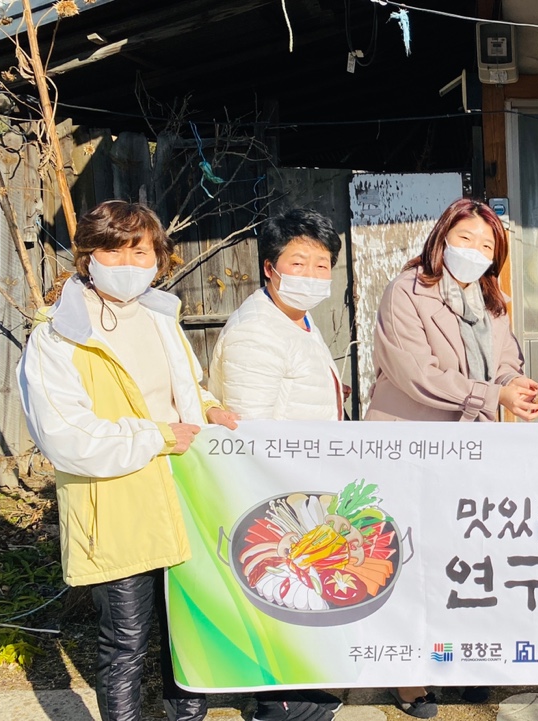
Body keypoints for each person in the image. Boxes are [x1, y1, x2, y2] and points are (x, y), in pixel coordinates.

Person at [17, 200, 239, 721]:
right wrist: (158, 436)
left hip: (183, 490)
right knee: (126, 639)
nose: (128, 263)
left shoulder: (161, 316)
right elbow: (66, 435)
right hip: (117, 499)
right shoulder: (58, 335)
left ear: (158, 258)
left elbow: (184, 388)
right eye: (114, 250)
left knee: (188, 629)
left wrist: (209, 407)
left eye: (141, 252)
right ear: (87, 255)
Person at [367, 198, 538, 717]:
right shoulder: (406, 291)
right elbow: (415, 374)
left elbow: (504, 363)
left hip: (470, 450)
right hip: (409, 442)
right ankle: (408, 676)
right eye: (465, 239)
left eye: (487, 245)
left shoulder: (492, 301)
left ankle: (458, 660)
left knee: (461, 558)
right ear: (442, 239)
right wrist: (494, 396)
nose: (474, 251)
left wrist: (518, 387)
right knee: (409, 559)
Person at [209, 209, 346, 721]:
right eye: (298, 262)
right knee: (281, 595)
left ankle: (304, 694)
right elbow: (255, 432)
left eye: (322, 264)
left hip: (303, 486)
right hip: (278, 492)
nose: (312, 274)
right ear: (270, 267)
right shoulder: (257, 332)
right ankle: (283, 703)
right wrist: (289, 497)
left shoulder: (295, 320)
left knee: (304, 593)